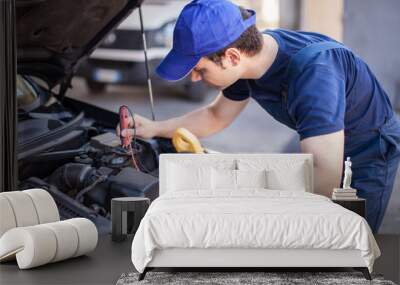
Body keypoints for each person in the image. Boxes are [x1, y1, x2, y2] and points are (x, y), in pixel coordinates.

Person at [117, 0, 400, 233]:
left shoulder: (315, 74)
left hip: (367, 149)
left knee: (348, 240)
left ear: (232, 57)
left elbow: (325, 181)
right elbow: (215, 116)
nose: (193, 78)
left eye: (200, 69)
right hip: (322, 137)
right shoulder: (248, 61)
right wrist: (154, 128)